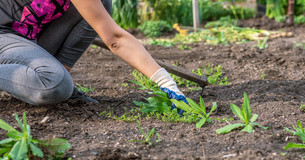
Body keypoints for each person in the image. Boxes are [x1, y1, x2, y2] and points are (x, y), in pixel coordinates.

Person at [0, 0, 187, 106]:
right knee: (53, 84)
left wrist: (167, 84)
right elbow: (116, 40)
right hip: (4, 35)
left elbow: (111, 34)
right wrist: (165, 82)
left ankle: (57, 78)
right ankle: (47, 80)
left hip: (28, 37)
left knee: (102, 4)